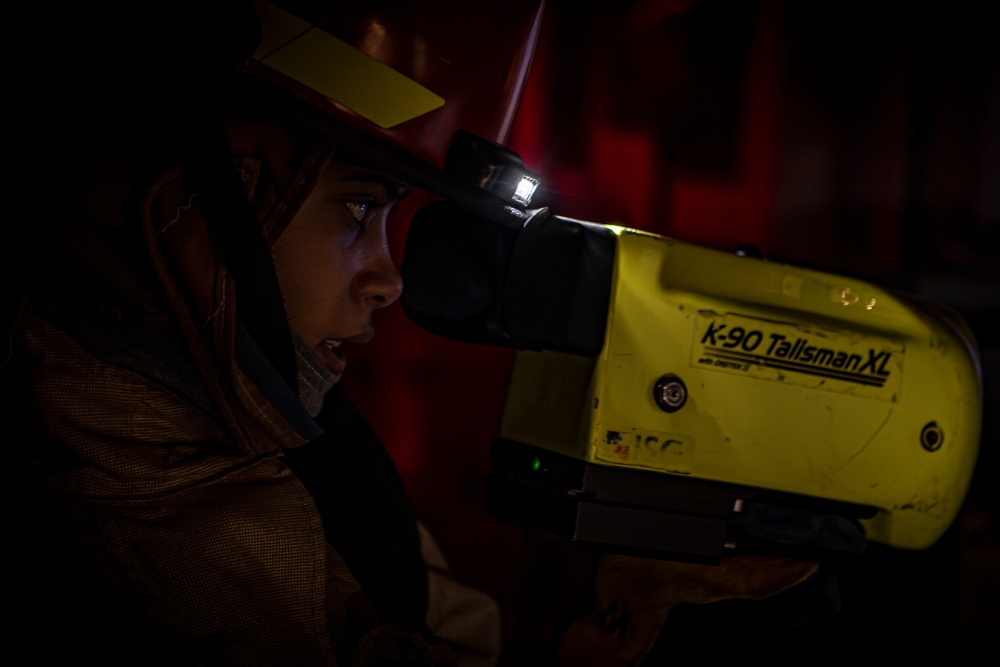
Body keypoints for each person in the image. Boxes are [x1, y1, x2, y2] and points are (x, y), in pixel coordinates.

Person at [2, 1, 860, 664]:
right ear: (188, 218)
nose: (390, 278)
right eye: (358, 211)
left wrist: (621, 622)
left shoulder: (272, 436)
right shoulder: (139, 570)